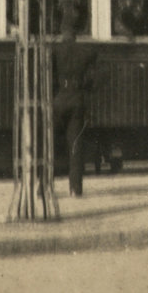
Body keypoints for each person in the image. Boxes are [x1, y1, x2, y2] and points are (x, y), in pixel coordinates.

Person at [52, 20, 98, 197]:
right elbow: (95, 74)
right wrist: (87, 88)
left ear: (62, 33)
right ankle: (75, 188)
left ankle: (44, 187)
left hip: (59, 99)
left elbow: (49, 75)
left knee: (50, 143)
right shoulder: (85, 52)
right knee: (75, 146)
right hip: (77, 99)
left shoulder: (56, 51)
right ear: (75, 35)